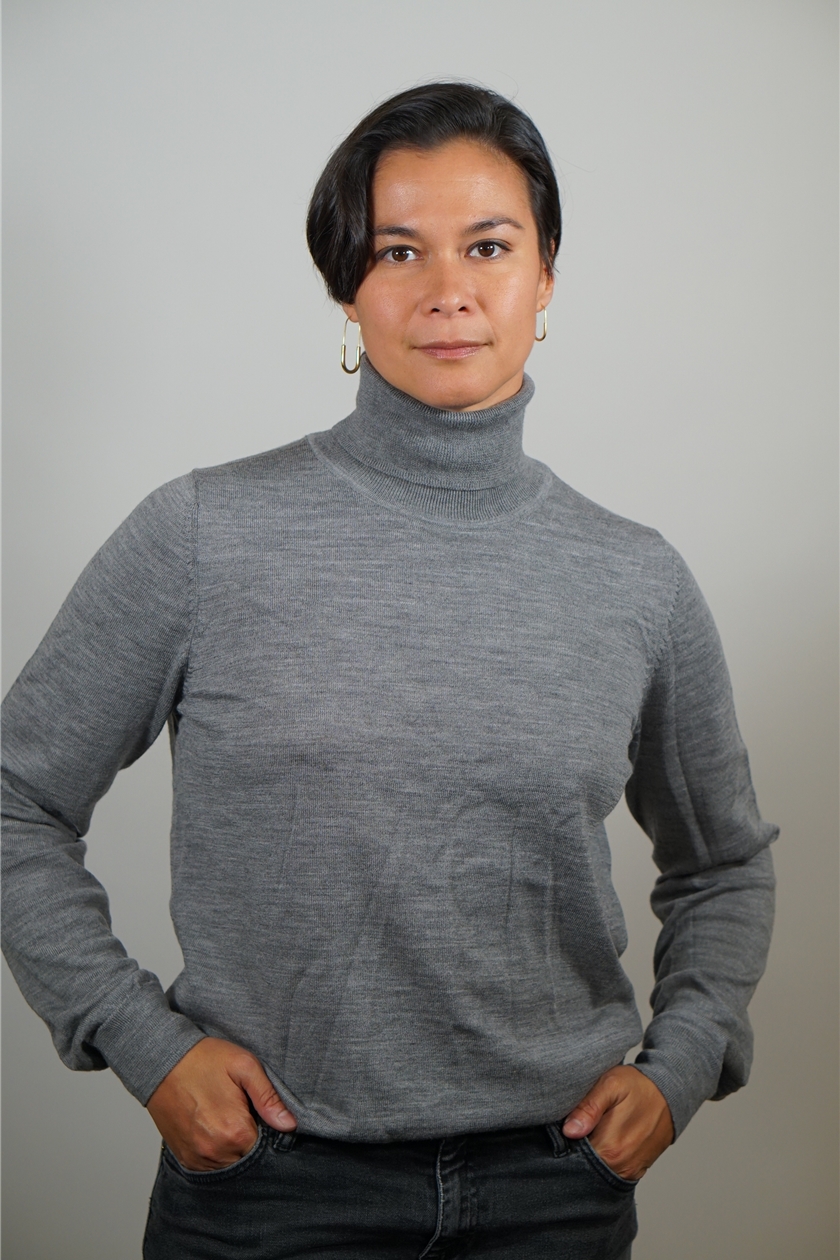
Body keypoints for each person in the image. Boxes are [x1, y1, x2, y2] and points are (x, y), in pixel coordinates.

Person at [1, 82, 776, 1260]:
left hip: (554, 1194)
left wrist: (683, 1063)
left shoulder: (637, 580)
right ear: (346, 286)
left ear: (547, 276)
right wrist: (139, 1041)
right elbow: (17, 798)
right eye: (399, 249)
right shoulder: (204, 535)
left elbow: (722, 865)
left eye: (490, 246)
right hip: (269, 1191)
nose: (447, 289)